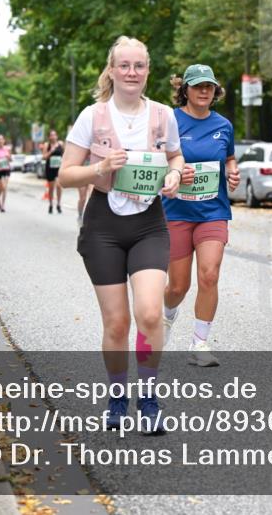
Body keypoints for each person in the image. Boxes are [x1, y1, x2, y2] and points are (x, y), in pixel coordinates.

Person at [58, 35, 189, 433]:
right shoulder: (92, 116)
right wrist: (99, 169)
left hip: (148, 224)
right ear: (112, 71)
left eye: (139, 66)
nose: (132, 73)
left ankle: (148, 399)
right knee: (116, 323)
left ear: (147, 71)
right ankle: (117, 397)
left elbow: (176, 157)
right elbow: (65, 175)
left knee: (150, 313)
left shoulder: (163, 115)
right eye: (125, 66)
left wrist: (173, 173)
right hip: (103, 227)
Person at [161, 65, 240, 367]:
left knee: (209, 274)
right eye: (197, 86)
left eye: (209, 86)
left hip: (213, 211)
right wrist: (175, 173)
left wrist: (232, 172)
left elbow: (229, 157)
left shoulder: (224, 125)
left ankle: (200, 343)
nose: (204, 91)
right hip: (177, 212)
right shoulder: (170, 121)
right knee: (177, 286)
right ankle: (168, 315)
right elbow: (156, 159)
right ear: (185, 90)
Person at [42, 130, 65, 214]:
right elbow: (44, 157)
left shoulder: (61, 144)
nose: (53, 137)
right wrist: (50, 151)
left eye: (54, 135)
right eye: (51, 135)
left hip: (59, 168)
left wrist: (63, 160)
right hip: (50, 168)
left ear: (57, 136)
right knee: (51, 188)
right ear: (49, 137)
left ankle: (58, 204)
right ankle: (51, 204)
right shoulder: (46, 145)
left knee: (59, 186)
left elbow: (65, 154)